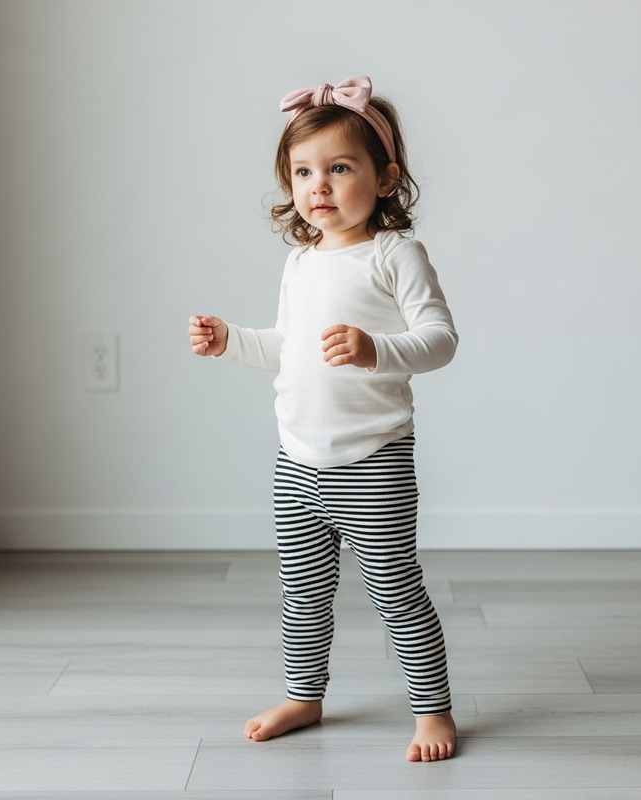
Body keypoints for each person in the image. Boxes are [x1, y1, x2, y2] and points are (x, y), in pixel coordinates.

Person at [189, 76, 458, 762]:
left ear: (386, 176)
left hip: (374, 462)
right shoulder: (301, 260)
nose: (320, 187)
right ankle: (304, 696)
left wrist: (377, 350)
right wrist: (231, 342)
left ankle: (432, 713)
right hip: (298, 462)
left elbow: (440, 341)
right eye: (304, 172)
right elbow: (287, 347)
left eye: (341, 168)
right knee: (301, 596)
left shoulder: (397, 255)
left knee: (398, 593)